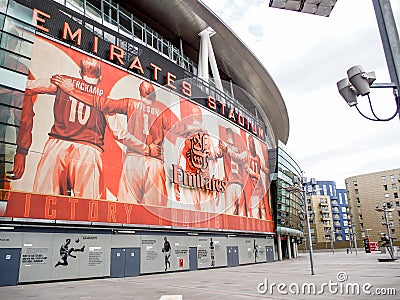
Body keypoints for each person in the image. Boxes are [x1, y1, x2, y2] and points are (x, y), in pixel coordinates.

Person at [11, 57, 138, 199]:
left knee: (43, 202)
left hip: (57, 146)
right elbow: (118, 133)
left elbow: (28, 87)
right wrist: (143, 147)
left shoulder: (63, 82)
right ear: (100, 77)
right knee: (88, 208)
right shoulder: (104, 97)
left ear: (80, 71)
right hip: (88, 150)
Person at [51, 75, 177, 206]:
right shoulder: (163, 114)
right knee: (155, 210)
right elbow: (178, 132)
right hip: (154, 162)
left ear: (140, 93)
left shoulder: (130, 103)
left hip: (133, 160)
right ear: (154, 96)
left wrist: (73, 92)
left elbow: (102, 104)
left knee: (126, 207)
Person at [173, 105, 219, 212]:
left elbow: (215, 162)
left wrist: (216, 185)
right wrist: (176, 184)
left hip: (206, 183)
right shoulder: (185, 136)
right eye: (194, 115)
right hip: (190, 181)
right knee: (190, 215)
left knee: (208, 216)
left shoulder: (207, 137)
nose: (195, 118)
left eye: (198, 115)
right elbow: (178, 160)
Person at [217, 127, 247, 216]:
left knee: (240, 214)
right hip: (230, 184)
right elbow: (216, 152)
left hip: (239, 184)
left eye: (229, 134)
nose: (228, 136)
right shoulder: (224, 147)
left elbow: (241, 158)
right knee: (230, 213)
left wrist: (227, 149)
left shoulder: (236, 148)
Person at [246, 135, 270, 219]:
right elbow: (249, 170)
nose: (252, 145)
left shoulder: (258, 157)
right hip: (252, 188)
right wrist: (256, 175)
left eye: (253, 143)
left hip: (259, 188)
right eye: (250, 142)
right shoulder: (247, 155)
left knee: (262, 209)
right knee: (255, 210)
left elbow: (264, 169)